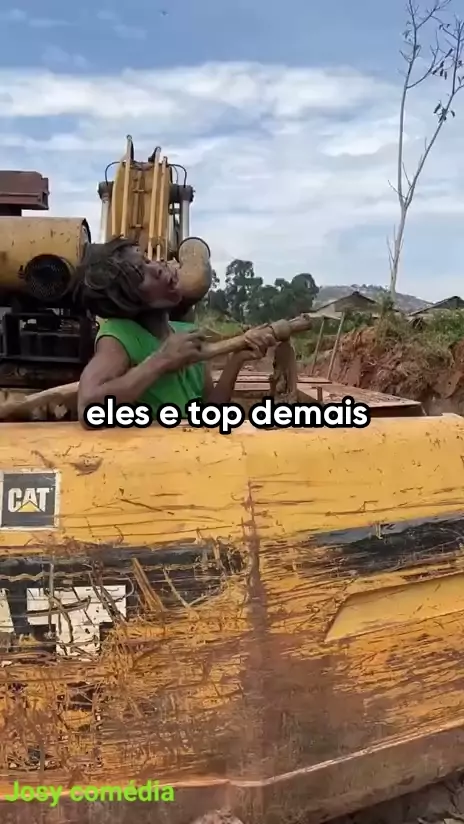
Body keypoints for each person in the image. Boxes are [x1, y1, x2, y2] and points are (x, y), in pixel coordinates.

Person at [76, 237, 275, 424]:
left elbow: (210, 413)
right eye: (141, 273)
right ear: (124, 299)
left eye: (148, 260)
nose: (158, 267)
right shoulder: (120, 335)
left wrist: (237, 360)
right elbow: (88, 407)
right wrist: (163, 360)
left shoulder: (188, 333)